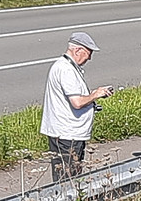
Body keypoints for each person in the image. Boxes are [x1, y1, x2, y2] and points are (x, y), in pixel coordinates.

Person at [39, 32, 114, 182]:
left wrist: (92, 96)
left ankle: (68, 196)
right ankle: (66, 198)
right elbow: (77, 102)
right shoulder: (66, 70)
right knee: (67, 177)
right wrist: (96, 95)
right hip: (68, 134)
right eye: (88, 53)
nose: (89, 58)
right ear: (78, 50)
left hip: (66, 132)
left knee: (70, 174)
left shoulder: (65, 66)